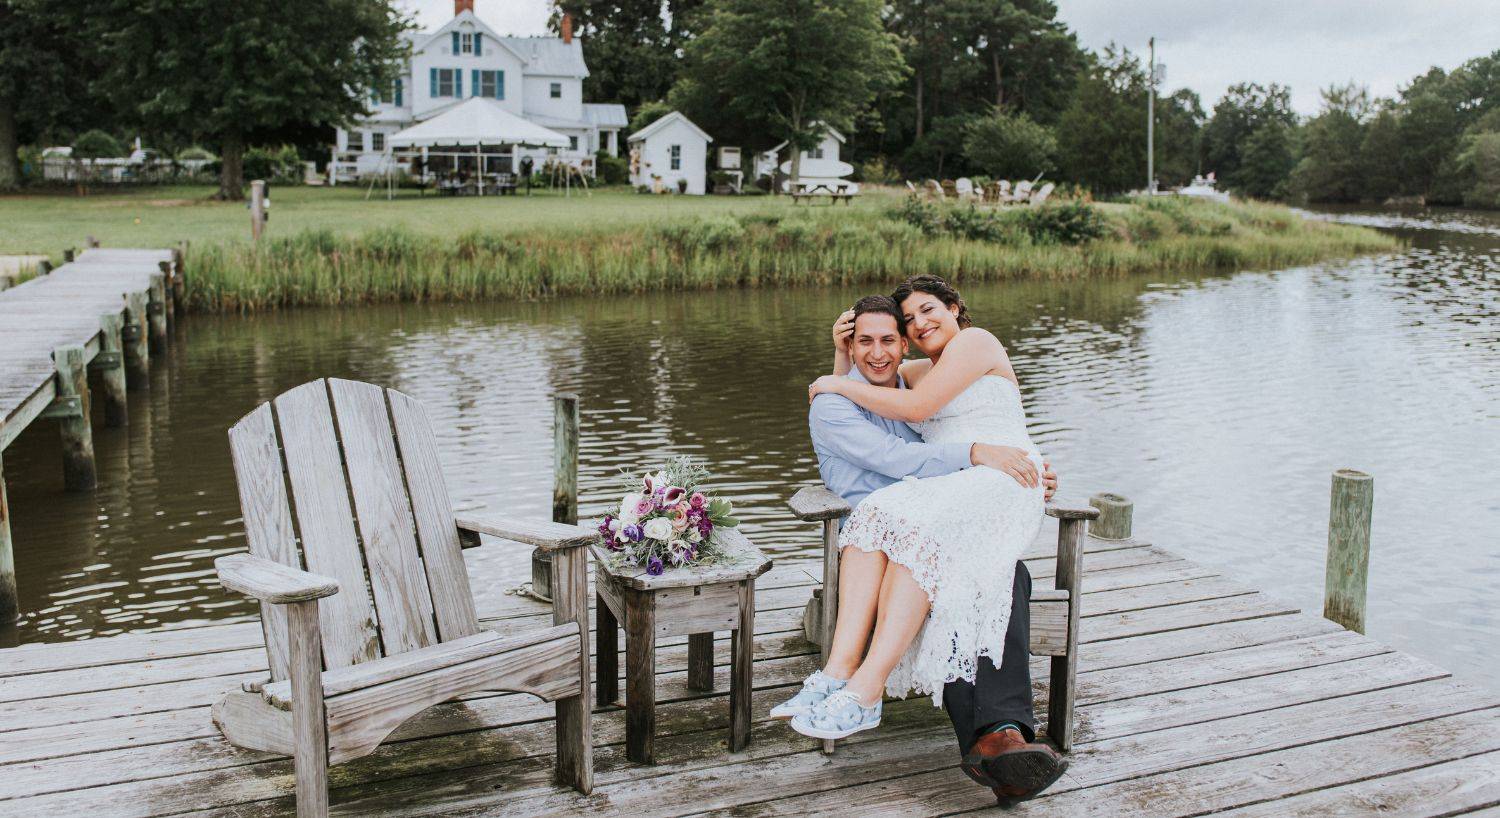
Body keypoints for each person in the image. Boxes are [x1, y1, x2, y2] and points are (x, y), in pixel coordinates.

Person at [783, 277, 1067, 804]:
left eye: (928, 311)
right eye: (909, 319)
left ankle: (1000, 733)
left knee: (998, 576)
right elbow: (876, 383)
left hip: (974, 496)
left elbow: (926, 414)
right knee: (969, 574)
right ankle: (994, 739)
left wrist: (834, 378)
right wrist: (838, 363)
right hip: (934, 508)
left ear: (956, 309)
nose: (919, 324)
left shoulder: (974, 344)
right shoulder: (913, 374)